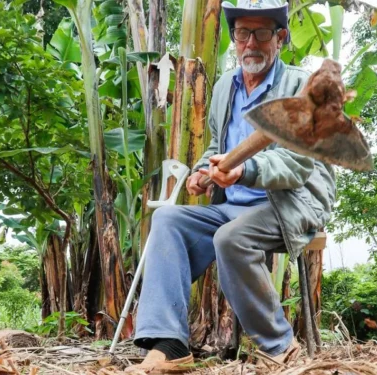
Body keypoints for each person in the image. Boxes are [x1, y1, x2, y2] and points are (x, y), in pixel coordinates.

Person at [125, 0, 336, 372]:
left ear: (280, 38)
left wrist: (243, 171)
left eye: (262, 33)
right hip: (234, 204)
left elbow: (299, 163)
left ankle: (281, 346)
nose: (250, 43)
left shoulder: (302, 86)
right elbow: (216, 148)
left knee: (231, 238)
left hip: (291, 202)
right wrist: (204, 171)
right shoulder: (226, 86)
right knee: (168, 222)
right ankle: (171, 344)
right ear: (233, 39)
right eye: (242, 33)